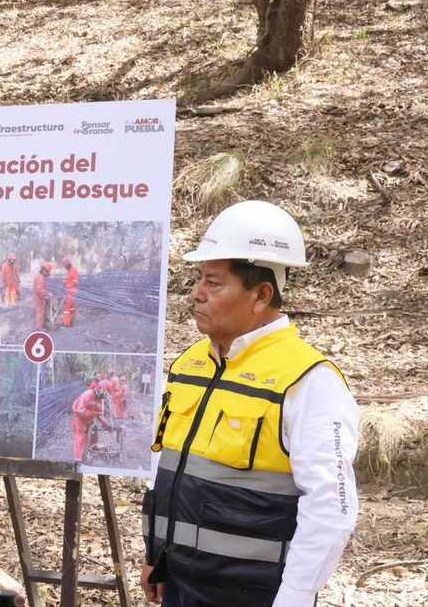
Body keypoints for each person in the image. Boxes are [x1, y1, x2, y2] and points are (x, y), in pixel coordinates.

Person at [140, 201, 359, 607]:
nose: (196, 294)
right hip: (180, 584)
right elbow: (169, 466)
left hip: (256, 596)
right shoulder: (189, 364)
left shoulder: (309, 381)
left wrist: (294, 597)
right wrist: (157, 554)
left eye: (213, 283)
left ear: (261, 294)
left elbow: (331, 507)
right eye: (199, 279)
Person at [71, 384, 109, 462]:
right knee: (80, 437)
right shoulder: (87, 395)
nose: (100, 399)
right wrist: (93, 414)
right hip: (80, 419)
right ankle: (78, 458)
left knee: (94, 431)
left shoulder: (99, 398)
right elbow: (79, 411)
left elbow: (99, 414)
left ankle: (93, 446)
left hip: (89, 418)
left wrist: (106, 424)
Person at [33, 261, 53, 330]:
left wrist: (45, 294)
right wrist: (47, 294)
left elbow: (41, 289)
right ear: (44, 270)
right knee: (40, 312)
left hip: (40, 296)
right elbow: (39, 290)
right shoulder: (40, 278)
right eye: (47, 272)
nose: (47, 274)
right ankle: (39, 328)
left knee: (42, 311)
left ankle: (42, 325)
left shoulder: (40, 276)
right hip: (39, 297)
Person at [62, 257, 79, 327]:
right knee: (71, 308)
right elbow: (70, 279)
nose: (65, 268)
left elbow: (75, 281)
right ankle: (71, 323)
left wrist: (68, 285)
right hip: (70, 291)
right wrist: (65, 282)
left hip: (72, 291)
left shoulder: (73, 270)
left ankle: (66, 324)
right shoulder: (70, 270)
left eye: (65, 266)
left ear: (67, 265)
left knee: (67, 308)